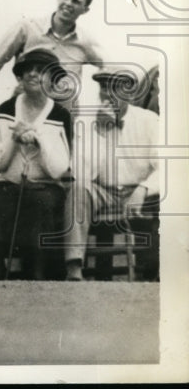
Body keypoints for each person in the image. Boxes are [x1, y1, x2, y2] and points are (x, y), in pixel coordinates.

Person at [0, 48, 73, 279]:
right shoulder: (6, 109)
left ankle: (37, 272)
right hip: (7, 183)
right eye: (28, 70)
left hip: (44, 186)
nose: (32, 74)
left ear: (52, 79)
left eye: (40, 71)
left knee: (41, 202)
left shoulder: (60, 115)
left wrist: (39, 140)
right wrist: (14, 139)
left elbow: (58, 169)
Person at [63, 67, 160, 281]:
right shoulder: (87, 123)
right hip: (103, 191)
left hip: (139, 190)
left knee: (169, 203)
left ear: (130, 93)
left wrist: (143, 189)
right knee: (78, 191)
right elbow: (82, 173)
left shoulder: (149, 120)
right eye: (105, 88)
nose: (109, 94)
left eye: (117, 88)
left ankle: (153, 274)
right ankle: (74, 269)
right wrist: (102, 132)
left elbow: (164, 166)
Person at [0, 0, 103, 110]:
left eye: (76, 1)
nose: (68, 3)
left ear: (85, 10)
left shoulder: (86, 42)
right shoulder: (27, 28)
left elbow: (112, 68)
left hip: (63, 114)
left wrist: (107, 106)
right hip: (25, 107)